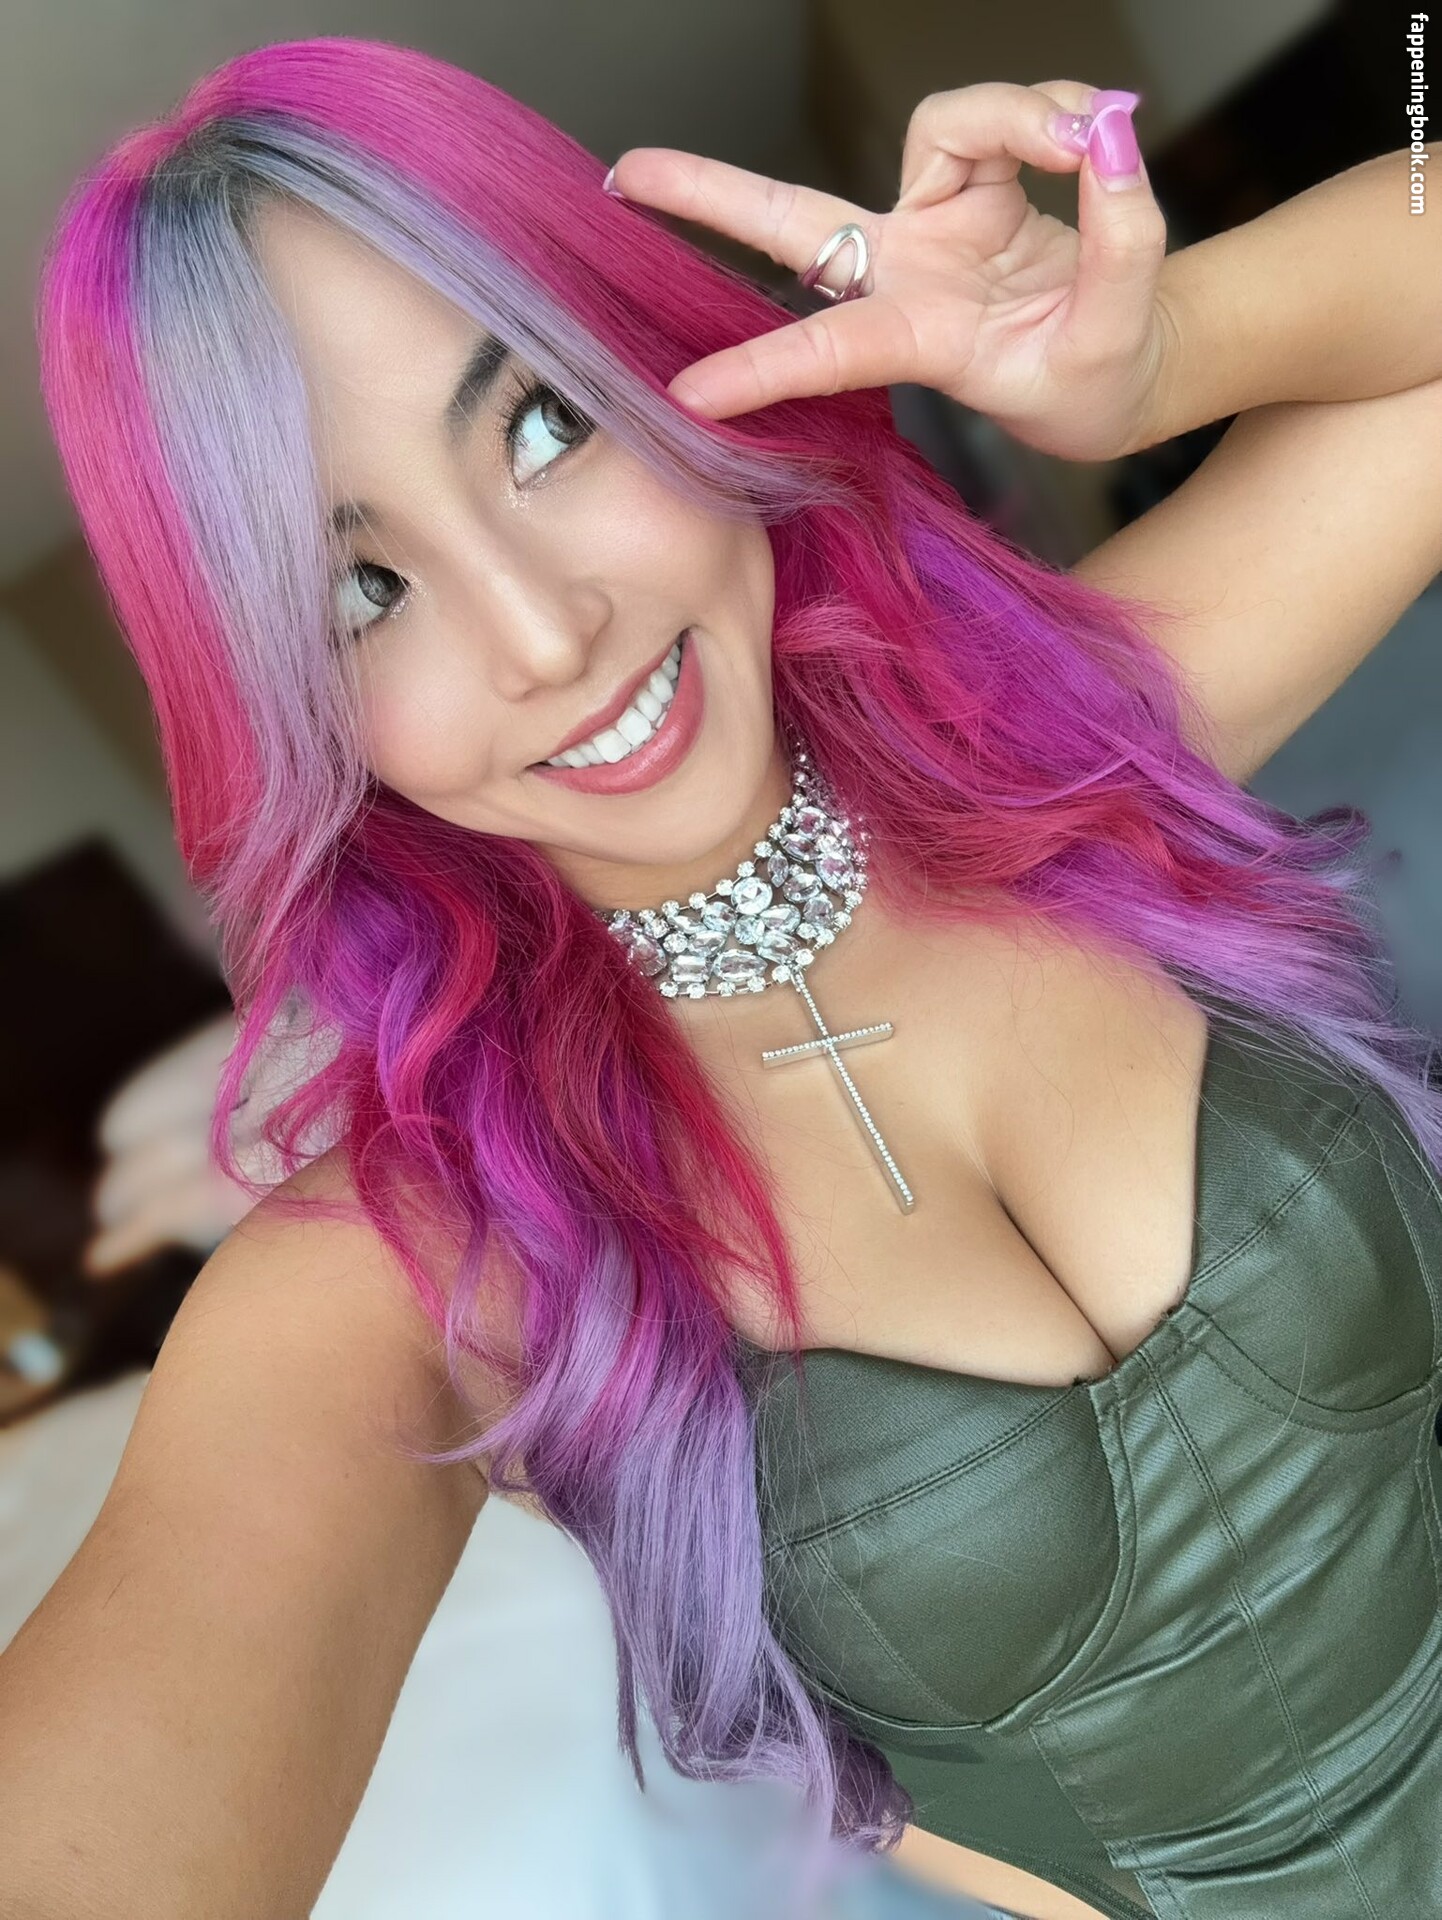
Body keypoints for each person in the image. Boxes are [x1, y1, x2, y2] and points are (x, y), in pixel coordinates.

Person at [6, 34, 1442, 1920]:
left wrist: (1162, 347)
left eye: (541, 426)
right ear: (293, 715)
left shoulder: (1071, 742)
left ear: (664, 370)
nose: (543, 633)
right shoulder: (411, 1265)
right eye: (360, 591)